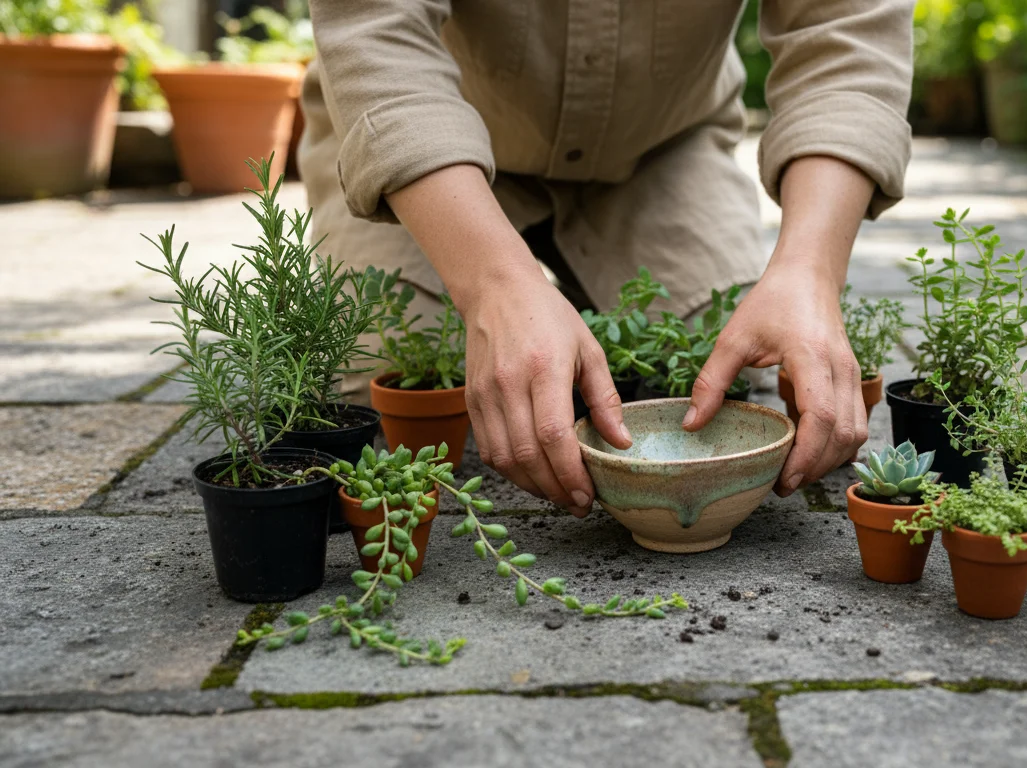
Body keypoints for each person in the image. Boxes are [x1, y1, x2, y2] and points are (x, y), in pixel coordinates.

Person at [299, 1, 914, 518]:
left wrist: (810, 272)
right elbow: (377, 30)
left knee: (715, 361)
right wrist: (494, 285)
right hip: (431, 159)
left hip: (660, 150)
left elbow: (847, 38)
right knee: (385, 375)